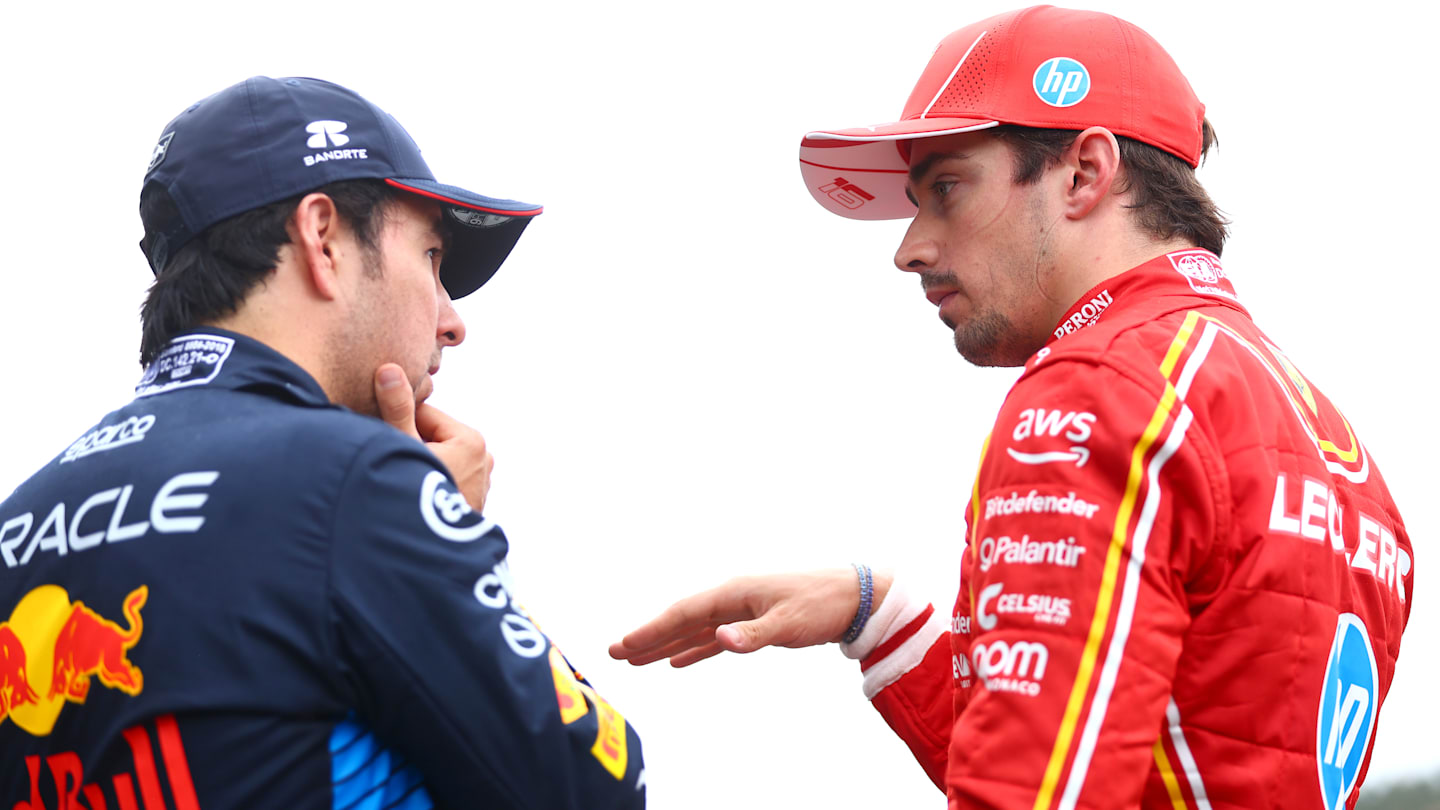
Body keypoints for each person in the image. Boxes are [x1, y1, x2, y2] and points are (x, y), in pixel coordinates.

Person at [610, 6, 1411, 809]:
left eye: (947, 188)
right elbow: (1114, 756)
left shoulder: (1101, 388)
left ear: (1086, 174)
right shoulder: (1335, 445)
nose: (909, 247)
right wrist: (878, 614)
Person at [0, 76, 644, 809]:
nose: (452, 321)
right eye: (433, 259)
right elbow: (597, 784)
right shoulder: (356, 484)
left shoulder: (16, 521)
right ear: (323, 237)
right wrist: (449, 536)